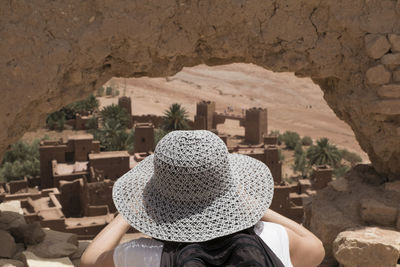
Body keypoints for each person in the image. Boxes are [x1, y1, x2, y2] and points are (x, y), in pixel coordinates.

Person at [81, 130, 324, 267]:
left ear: (155, 201)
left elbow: (90, 262)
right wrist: (254, 206)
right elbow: (316, 248)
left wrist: (127, 214)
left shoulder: (144, 256)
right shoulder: (271, 239)